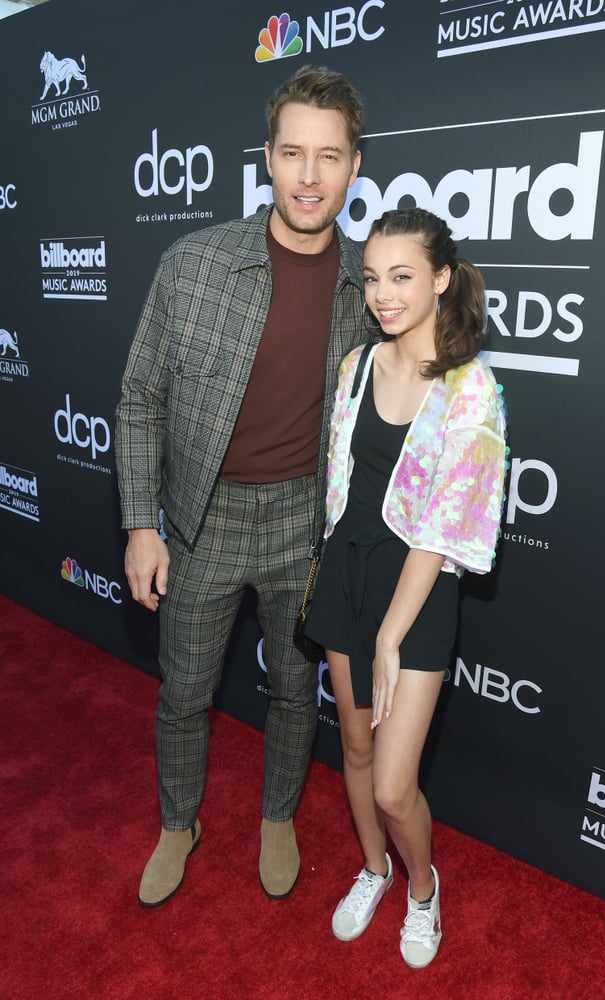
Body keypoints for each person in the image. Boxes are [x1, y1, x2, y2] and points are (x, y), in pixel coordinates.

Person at [114, 65, 366, 906]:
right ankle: (178, 823)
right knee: (184, 691)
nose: (308, 175)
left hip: (307, 520)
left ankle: (276, 816)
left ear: (354, 168)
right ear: (265, 158)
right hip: (199, 518)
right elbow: (139, 397)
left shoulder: (370, 288)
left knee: (297, 689)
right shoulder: (193, 264)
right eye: (292, 153)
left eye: (327, 157)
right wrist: (140, 524)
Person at [304, 208, 507, 968]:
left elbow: (442, 524)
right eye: (372, 278)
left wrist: (390, 635)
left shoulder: (469, 387)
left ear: (441, 278)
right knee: (353, 749)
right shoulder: (357, 365)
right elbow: (342, 483)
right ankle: (372, 868)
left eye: (402, 277)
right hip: (345, 572)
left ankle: (421, 888)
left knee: (393, 786)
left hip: (415, 591)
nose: (383, 295)